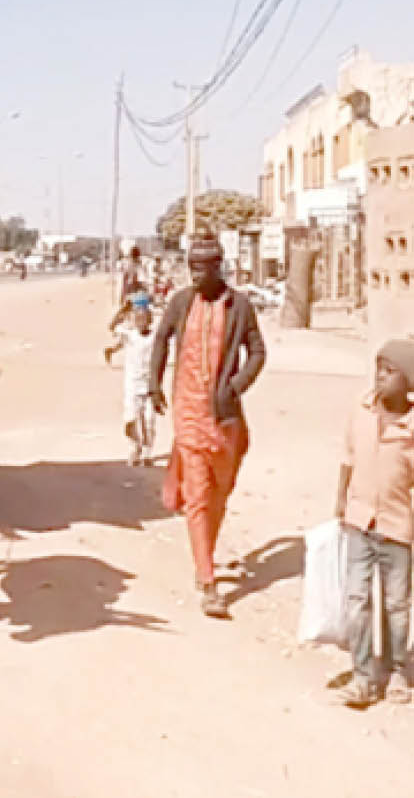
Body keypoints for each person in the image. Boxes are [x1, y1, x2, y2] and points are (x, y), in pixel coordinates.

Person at [148, 234, 266, 618]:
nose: (196, 275)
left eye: (204, 267)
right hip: (188, 412)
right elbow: (162, 338)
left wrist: (235, 386)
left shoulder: (240, 305)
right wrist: (153, 382)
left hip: (224, 415)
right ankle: (208, 580)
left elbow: (258, 352)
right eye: (192, 268)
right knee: (198, 495)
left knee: (220, 491)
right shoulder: (181, 301)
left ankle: (207, 556)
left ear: (219, 266)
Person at [331, 339, 414, 709]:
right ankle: (364, 676)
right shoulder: (361, 411)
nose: (381, 376)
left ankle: (397, 670)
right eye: (378, 367)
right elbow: (347, 458)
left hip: (397, 526)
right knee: (356, 601)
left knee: (397, 606)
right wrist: (340, 500)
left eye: (391, 370)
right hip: (359, 520)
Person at [105, 295, 157, 466]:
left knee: (148, 421)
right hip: (133, 385)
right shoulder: (129, 335)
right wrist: (124, 309)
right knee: (130, 421)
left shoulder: (154, 336)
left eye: (144, 318)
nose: (141, 322)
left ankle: (148, 452)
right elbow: (111, 326)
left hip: (149, 386)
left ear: (149, 319)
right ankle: (135, 446)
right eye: (137, 318)